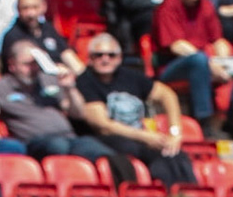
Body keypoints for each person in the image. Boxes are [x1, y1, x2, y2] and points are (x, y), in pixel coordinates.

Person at [0, 38, 136, 185]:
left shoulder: (48, 80)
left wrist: (69, 88)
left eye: (36, 64)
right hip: (37, 142)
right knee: (59, 146)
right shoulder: (1, 88)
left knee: (108, 154)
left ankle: (128, 194)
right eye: (27, 64)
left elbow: (78, 113)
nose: (33, 69)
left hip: (70, 137)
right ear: (12, 65)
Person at [74, 34, 198, 189]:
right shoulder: (85, 81)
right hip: (109, 140)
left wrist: (174, 132)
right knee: (156, 157)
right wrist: (145, 137)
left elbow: (167, 95)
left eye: (111, 55)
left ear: (119, 58)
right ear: (90, 58)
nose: (105, 59)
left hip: (140, 137)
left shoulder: (130, 76)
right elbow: (103, 125)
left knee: (178, 155)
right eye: (98, 55)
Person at [155, 0, 233, 132]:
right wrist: (211, 65)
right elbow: (177, 46)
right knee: (199, 61)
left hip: (203, 63)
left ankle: (231, 121)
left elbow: (218, 40)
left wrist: (223, 62)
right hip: (170, 66)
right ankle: (204, 119)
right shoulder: (168, 6)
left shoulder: (206, 6)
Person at [2, 0, 83, 81]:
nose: (30, 13)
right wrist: (57, 69)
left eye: (35, 7)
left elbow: (66, 53)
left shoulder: (47, 28)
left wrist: (81, 73)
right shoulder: (13, 36)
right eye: (25, 8)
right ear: (18, 9)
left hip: (61, 78)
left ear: (44, 6)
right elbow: (25, 70)